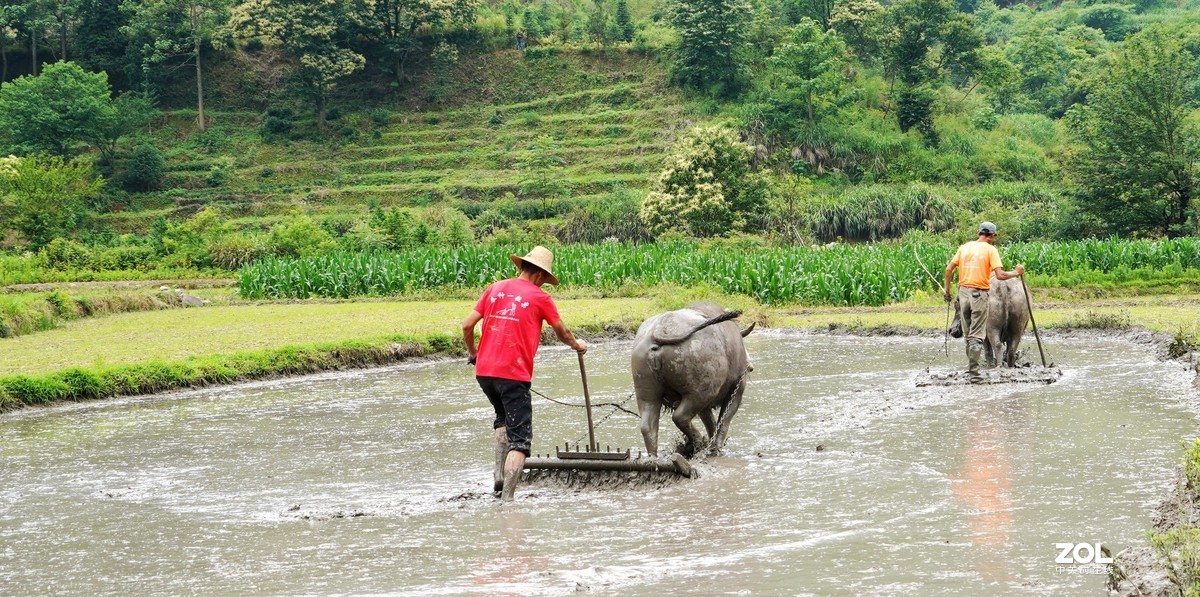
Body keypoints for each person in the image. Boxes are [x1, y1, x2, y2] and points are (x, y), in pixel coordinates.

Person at [462, 246, 587, 501]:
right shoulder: (541, 298)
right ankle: (507, 501)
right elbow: (561, 332)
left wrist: (474, 352)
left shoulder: (494, 288)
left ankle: (498, 476)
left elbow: (466, 324)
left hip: (484, 373)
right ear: (541, 275)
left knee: (503, 419)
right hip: (513, 374)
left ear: (522, 267)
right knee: (520, 443)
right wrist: (577, 345)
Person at [943, 222, 1026, 383]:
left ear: (978, 232)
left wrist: (947, 292)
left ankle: (972, 368)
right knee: (977, 335)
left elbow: (948, 269)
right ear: (993, 236)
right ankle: (974, 374)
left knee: (968, 335)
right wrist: (1016, 272)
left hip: (963, 294)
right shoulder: (990, 250)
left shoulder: (964, 247)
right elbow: (1000, 275)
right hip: (979, 294)